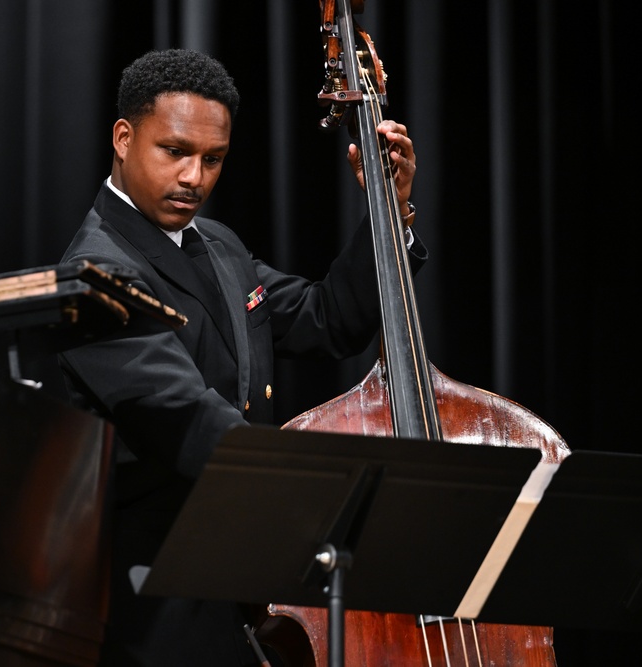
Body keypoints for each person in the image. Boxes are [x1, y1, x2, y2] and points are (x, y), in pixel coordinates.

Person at [58, 48, 425, 666]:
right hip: (154, 605)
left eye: (213, 159)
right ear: (123, 138)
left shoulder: (218, 244)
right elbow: (187, 415)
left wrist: (389, 209)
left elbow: (328, 319)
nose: (194, 178)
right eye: (174, 152)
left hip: (234, 581)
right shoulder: (96, 270)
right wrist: (326, 488)